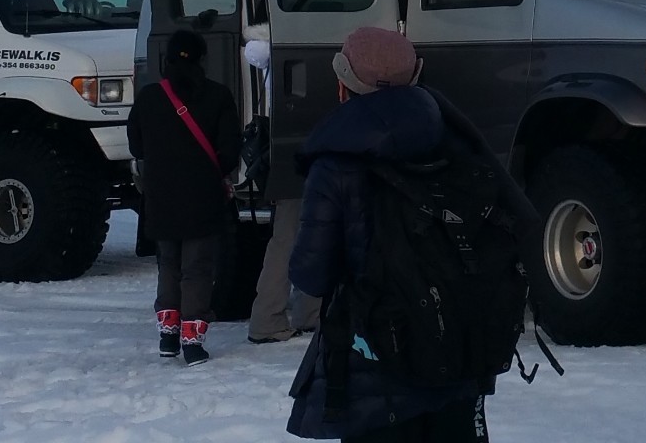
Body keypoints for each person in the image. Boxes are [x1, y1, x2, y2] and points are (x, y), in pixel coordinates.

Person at [285, 26, 532, 442]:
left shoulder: (336, 164)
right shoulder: (456, 140)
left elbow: (311, 275)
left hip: (379, 372)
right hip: (460, 354)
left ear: (343, 86)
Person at [126, 29, 241, 365]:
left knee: (168, 264)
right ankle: (192, 342)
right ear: (202, 59)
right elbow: (230, 151)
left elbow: (136, 146)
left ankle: (168, 336)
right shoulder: (218, 96)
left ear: (167, 60)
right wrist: (212, 172)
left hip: (160, 195)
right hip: (202, 195)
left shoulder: (149, 98)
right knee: (198, 268)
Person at [243, 29, 318, 345]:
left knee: (295, 234)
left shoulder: (268, 50)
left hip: (286, 146)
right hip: (301, 148)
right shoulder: (276, 44)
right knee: (294, 236)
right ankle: (270, 317)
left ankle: (296, 314)